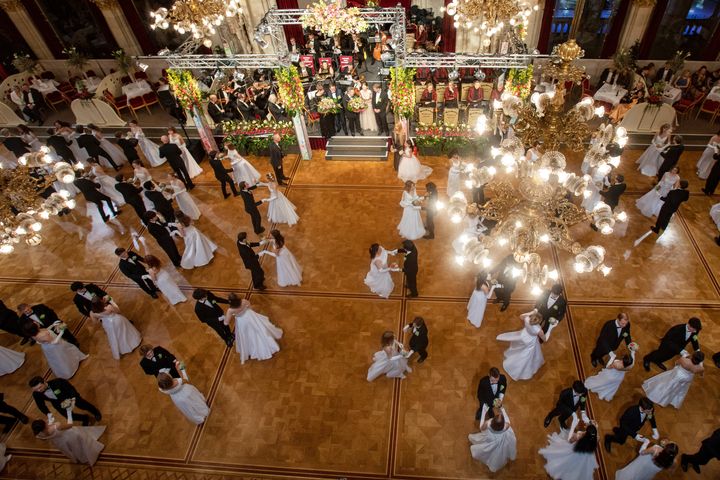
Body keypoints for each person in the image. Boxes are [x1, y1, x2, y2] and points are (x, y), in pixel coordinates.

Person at [225, 293, 282, 364]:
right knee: (258, 330)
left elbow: (226, 322)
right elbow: (249, 306)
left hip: (242, 322)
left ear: (230, 302)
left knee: (247, 335)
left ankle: (250, 349)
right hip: (250, 316)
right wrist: (245, 311)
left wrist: (223, 319)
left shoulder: (230, 310)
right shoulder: (243, 301)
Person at [496, 311, 551, 381]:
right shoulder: (539, 330)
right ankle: (518, 370)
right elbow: (545, 339)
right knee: (526, 355)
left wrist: (531, 312)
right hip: (530, 341)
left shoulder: (527, 319)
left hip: (524, 336)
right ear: (539, 321)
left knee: (521, 348)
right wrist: (550, 329)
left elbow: (521, 316)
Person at [29, 376, 101, 425]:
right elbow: (41, 405)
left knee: (83, 405)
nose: (39, 390)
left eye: (40, 387)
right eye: (36, 389)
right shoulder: (36, 394)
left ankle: (95, 412)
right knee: (69, 416)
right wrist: (48, 414)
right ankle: (85, 418)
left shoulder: (58, 382)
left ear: (44, 381)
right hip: (58, 403)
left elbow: (71, 389)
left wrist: (73, 399)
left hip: (70, 397)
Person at [32, 419, 105, 465]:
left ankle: (78, 458)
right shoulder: (57, 426)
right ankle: (88, 455)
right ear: (44, 424)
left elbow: (45, 438)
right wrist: (69, 411)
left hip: (60, 443)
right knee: (79, 446)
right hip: (70, 437)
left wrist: (49, 423)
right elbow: (70, 424)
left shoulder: (39, 434)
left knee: (71, 450)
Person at [468, 407, 517, 472]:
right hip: (501, 439)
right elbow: (508, 421)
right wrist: (502, 408)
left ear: (493, 420)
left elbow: (482, 428)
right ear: (503, 423)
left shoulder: (488, 423)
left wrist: (484, 412)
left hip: (490, 437)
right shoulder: (506, 426)